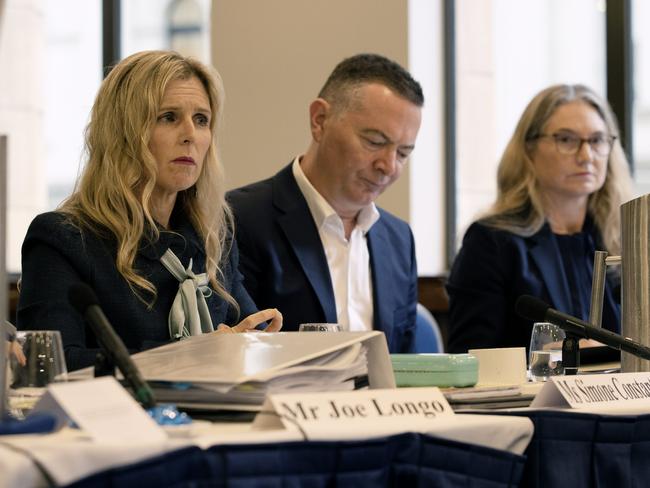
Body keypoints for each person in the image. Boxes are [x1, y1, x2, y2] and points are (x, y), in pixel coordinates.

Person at [17, 51, 282, 371]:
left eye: (201, 120)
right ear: (123, 133)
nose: (190, 135)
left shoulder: (213, 238)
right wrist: (191, 355)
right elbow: (50, 364)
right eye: (168, 117)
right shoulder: (64, 239)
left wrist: (257, 342)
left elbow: (245, 339)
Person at [228, 53, 423, 353]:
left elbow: (407, 369)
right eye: (374, 142)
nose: (389, 166)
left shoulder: (398, 240)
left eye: (403, 153)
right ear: (320, 120)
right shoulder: (240, 219)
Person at [446, 84, 634, 353]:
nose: (586, 156)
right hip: (532, 395)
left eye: (597, 140)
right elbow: (470, 356)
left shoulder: (622, 242)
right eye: (566, 140)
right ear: (529, 149)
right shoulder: (491, 242)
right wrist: (552, 360)